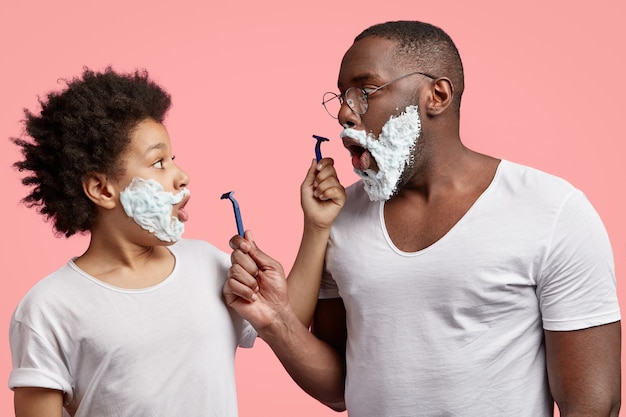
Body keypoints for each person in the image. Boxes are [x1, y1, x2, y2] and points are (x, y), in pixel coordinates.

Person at [223, 20, 622, 416]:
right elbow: (340, 389)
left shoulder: (552, 211)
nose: (345, 113)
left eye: (365, 91)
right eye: (342, 97)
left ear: (437, 94)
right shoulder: (340, 217)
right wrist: (277, 321)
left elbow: (593, 405)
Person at [8, 67, 258, 417]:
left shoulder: (208, 263)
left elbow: (288, 330)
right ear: (102, 189)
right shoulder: (49, 309)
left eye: (173, 160)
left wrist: (316, 227)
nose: (181, 176)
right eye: (158, 162)